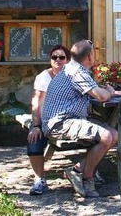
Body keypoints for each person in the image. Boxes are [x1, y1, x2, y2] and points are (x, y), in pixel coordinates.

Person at [41, 40, 121, 198]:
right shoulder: (76, 72)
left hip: (68, 120)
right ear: (90, 56)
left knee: (113, 134)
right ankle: (87, 178)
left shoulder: (75, 69)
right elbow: (100, 96)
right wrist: (110, 90)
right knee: (106, 136)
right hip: (59, 124)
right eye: (94, 53)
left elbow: (97, 90)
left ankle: (77, 171)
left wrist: (119, 93)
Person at [27, 44, 70, 195]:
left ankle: (85, 173)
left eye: (61, 57)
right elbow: (36, 102)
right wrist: (36, 125)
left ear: (67, 60)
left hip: (67, 121)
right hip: (46, 120)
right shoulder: (43, 77)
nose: (58, 60)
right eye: (54, 57)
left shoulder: (72, 76)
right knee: (34, 140)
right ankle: (39, 179)